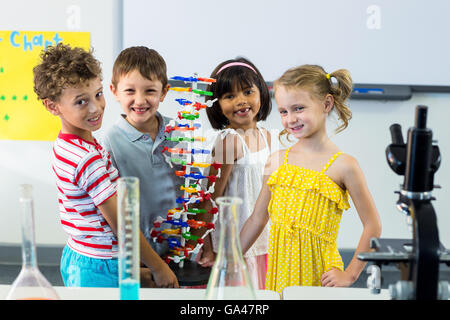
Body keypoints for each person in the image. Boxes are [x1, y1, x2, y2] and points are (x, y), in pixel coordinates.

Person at [33, 43, 178, 288]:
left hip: (84, 254)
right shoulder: (87, 158)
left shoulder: (71, 145)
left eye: (98, 94)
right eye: (81, 102)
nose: (96, 107)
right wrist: (158, 267)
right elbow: (121, 223)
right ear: (52, 106)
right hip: (99, 263)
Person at [239, 64, 382, 295]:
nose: (290, 119)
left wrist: (350, 274)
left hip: (320, 279)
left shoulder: (344, 165)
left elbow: (373, 225)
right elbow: (257, 219)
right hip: (279, 276)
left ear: (326, 104)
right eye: (284, 111)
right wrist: (227, 262)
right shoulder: (276, 161)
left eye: (298, 108)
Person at [197, 57, 272, 290]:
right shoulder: (229, 142)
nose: (241, 101)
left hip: (263, 244)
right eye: (229, 96)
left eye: (248, 92)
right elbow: (209, 198)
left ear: (261, 93)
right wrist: (206, 246)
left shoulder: (269, 137)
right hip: (231, 248)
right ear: (217, 104)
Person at [101, 46, 183, 259]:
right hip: (136, 252)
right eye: (130, 91)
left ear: (164, 92)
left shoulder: (179, 132)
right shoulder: (109, 142)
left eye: (150, 91)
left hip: (179, 248)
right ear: (114, 91)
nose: (139, 100)